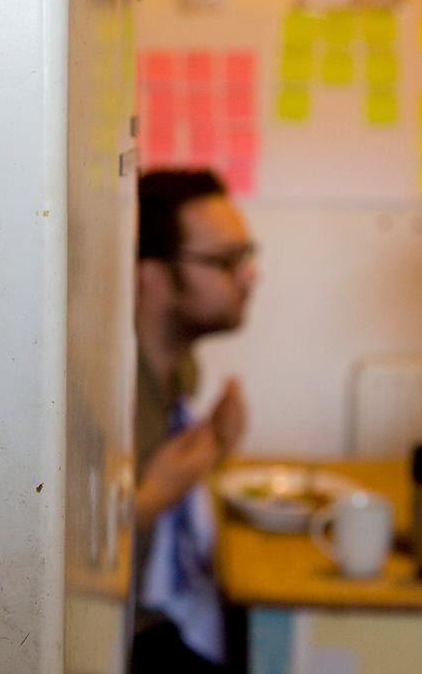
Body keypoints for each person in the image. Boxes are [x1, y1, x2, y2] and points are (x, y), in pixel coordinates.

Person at [131, 169, 257, 672]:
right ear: (151, 275)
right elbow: (58, 565)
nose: (249, 276)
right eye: (226, 261)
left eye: (247, 257)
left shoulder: (181, 365)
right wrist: (155, 496)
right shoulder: (95, 395)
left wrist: (214, 445)